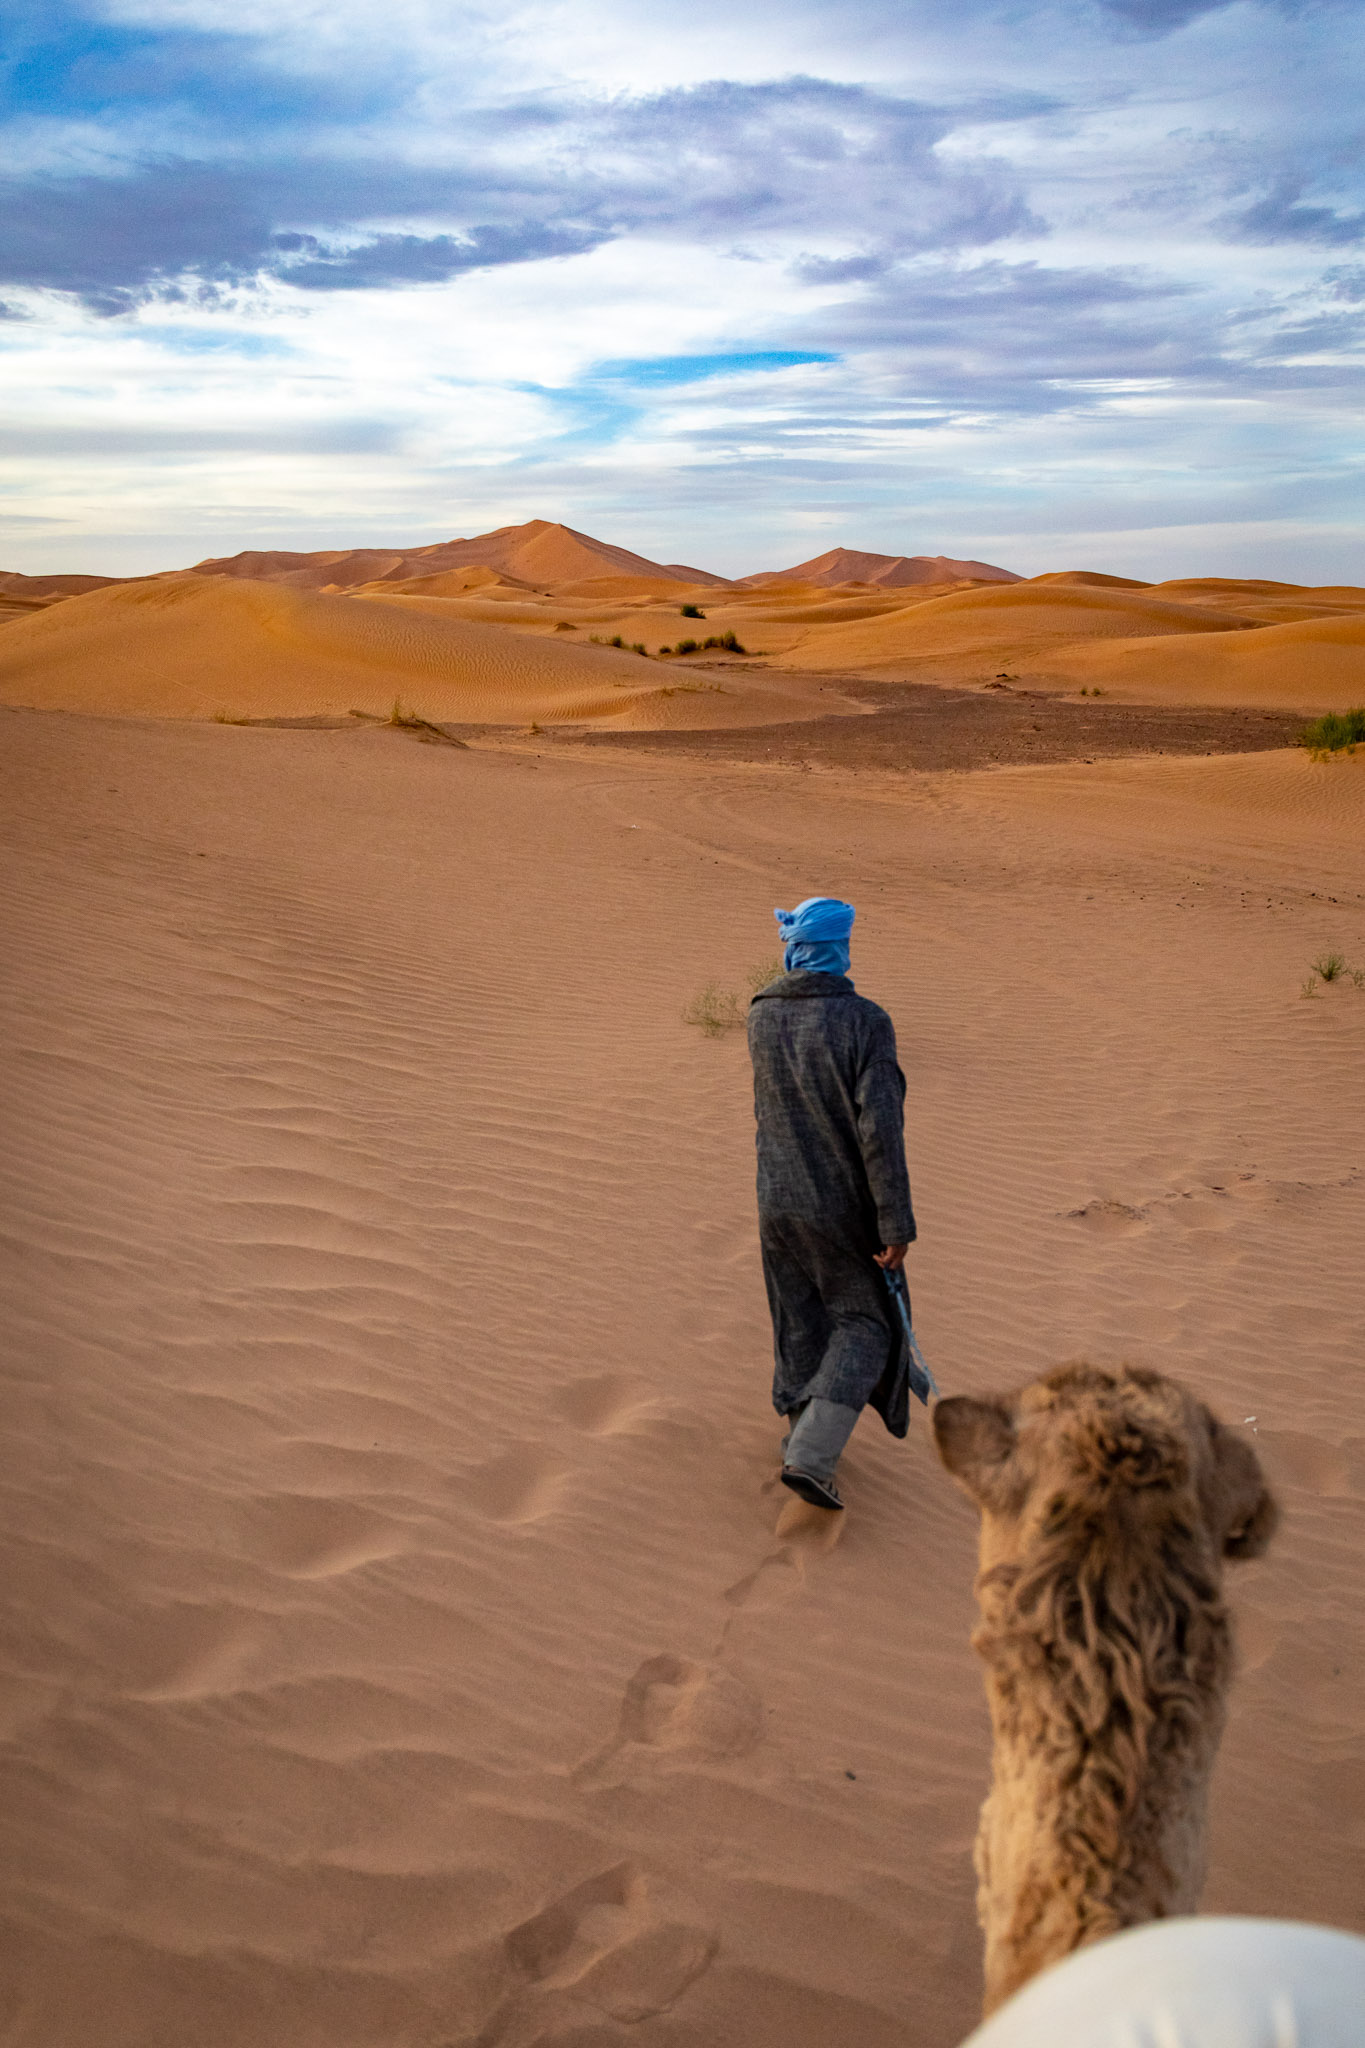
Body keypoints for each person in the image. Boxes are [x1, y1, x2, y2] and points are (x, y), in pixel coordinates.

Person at [747, 895, 916, 1511]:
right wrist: (895, 1220)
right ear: (841, 947)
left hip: (775, 1198)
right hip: (840, 1206)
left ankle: (799, 1436)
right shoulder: (865, 1021)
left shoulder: (761, 1012)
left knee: (798, 1316)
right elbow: (880, 1129)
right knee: (867, 1323)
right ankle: (812, 1456)